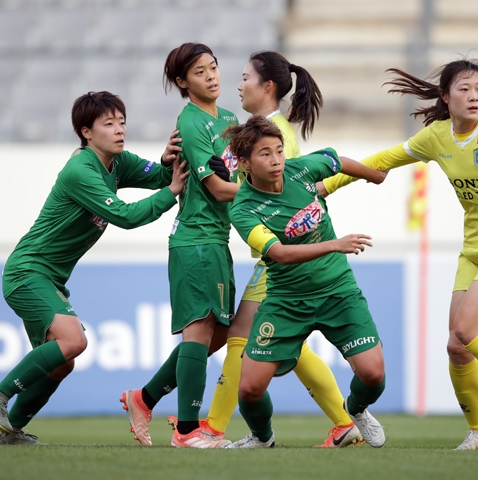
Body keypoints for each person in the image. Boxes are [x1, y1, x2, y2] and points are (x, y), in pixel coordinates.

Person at [322, 58, 478, 450]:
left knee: (466, 330)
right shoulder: (437, 137)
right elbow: (381, 161)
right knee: (456, 345)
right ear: (445, 97)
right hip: (474, 248)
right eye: (464, 88)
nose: (474, 95)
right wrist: (326, 187)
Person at [0, 91, 188, 445]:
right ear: (86, 132)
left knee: (62, 362)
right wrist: (171, 191)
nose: (119, 130)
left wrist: (166, 164)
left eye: (122, 122)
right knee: (74, 340)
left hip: (50, 278)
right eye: (109, 124)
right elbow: (125, 215)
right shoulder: (81, 169)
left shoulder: (116, 162)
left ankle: (8, 431)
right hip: (27, 272)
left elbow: (156, 176)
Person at [178, 50, 366, 448]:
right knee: (278, 344)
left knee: (241, 338)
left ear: (266, 87)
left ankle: (212, 428)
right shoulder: (261, 128)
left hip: (282, 258)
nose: (236, 83)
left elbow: (300, 186)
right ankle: (343, 422)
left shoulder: (275, 135)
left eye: (244, 77)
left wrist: (369, 174)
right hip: (276, 253)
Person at [224, 115, 388, 449]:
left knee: (373, 376)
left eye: (279, 151)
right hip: (286, 301)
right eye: (265, 154)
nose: (276, 160)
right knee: (249, 390)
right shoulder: (243, 208)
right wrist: (335, 244)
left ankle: (355, 410)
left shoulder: (300, 170)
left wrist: (373, 176)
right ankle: (262, 437)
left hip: (337, 291)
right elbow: (280, 254)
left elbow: (336, 160)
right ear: (244, 163)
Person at [120, 43, 240, 449]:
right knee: (200, 330)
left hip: (218, 240)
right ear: (181, 82)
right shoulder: (190, 122)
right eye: (200, 71)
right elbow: (220, 190)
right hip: (196, 239)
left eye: (214, 67)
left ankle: (144, 398)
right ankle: (187, 431)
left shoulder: (228, 118)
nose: (211, 76)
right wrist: (270, 195)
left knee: (218, 334)